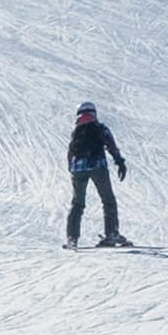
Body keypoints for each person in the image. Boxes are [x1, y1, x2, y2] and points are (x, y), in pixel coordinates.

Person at [65, 101, 130, 247]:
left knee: (77, 203)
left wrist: (72, 169)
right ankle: (111, 234)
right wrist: (119, 161)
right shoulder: (100, 128)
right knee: (108, 201)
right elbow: (110, 145)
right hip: (98, 167)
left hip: (78, 170)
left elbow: (70, 152)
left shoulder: (76, 130)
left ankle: (72, 238)